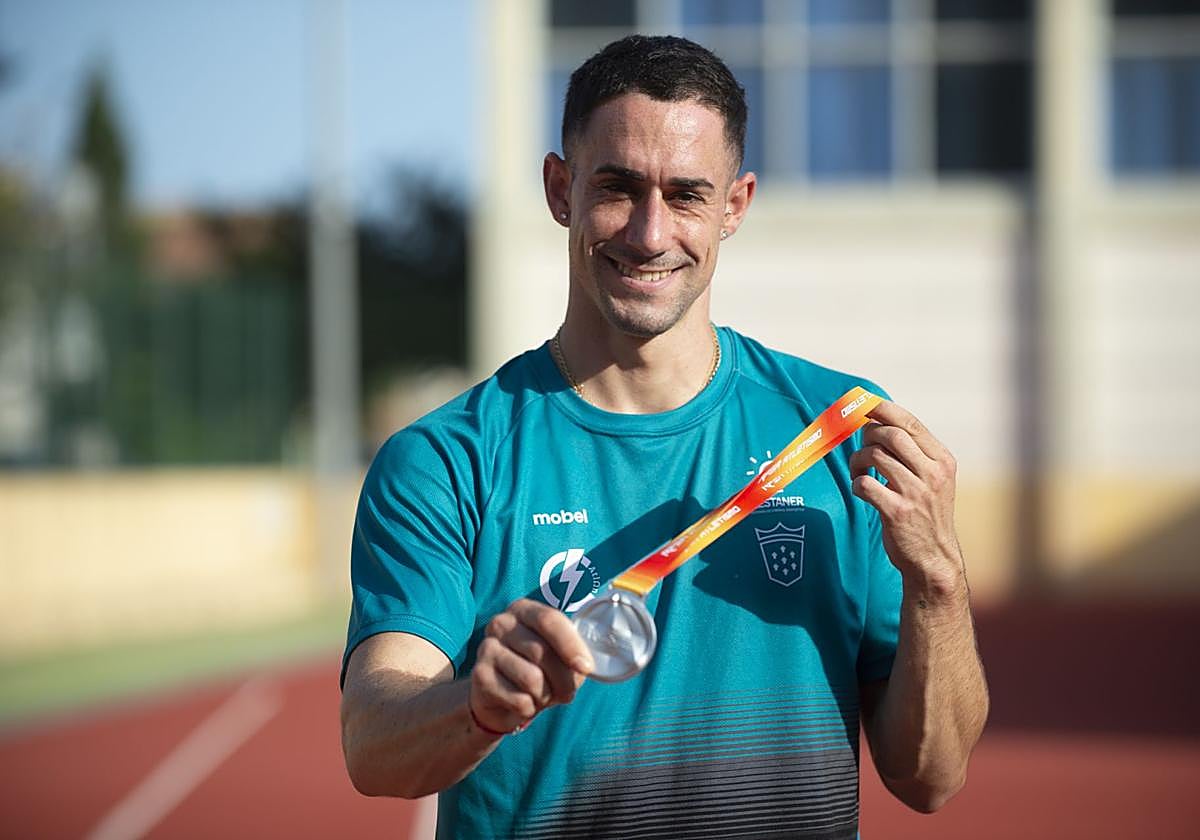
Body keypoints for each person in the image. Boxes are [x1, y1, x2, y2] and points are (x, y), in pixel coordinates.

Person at [340, 34, 988, 839]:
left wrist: (939, 581)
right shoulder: (447, 461)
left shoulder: (839, 433)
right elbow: (373, 744)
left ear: (736, 205)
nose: (649, 234)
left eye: (686, 194)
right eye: (617, 187)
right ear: (559, 188)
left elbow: (932, 777)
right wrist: (473, 704)